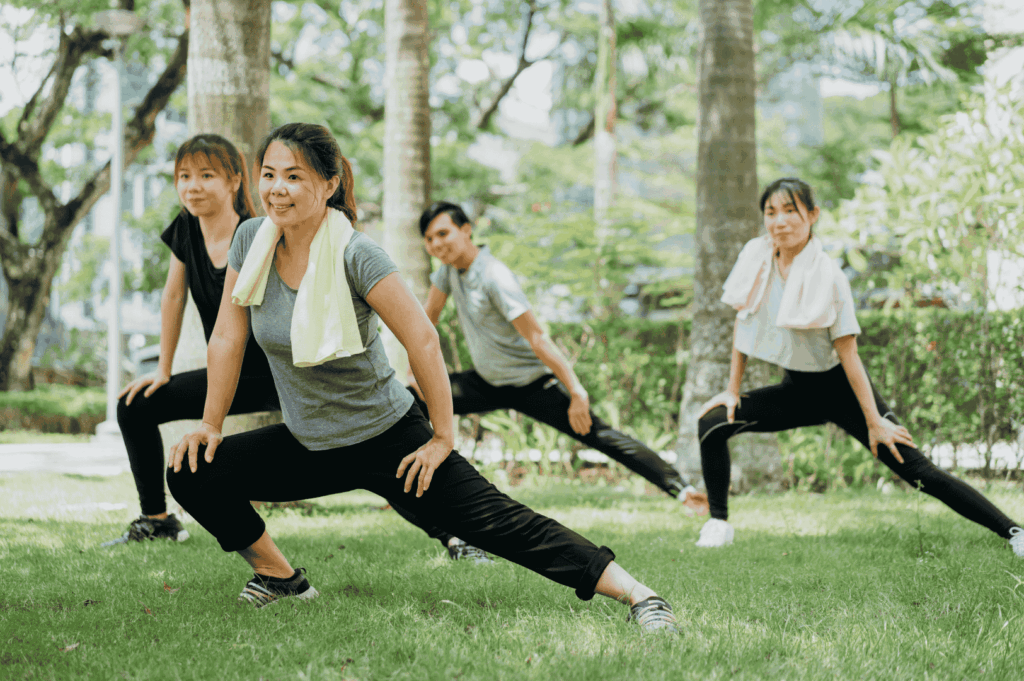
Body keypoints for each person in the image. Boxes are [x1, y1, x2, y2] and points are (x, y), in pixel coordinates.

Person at [164, 122, 680, 633]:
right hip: (309, 442)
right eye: (269, 174)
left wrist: (441, 438)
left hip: (389, 440)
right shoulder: (251, 239)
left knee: (499, 523)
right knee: (192, 471)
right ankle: (279, 579)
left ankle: (641, 596)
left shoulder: (356, 254)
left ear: (328, 184)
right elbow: (228, 337)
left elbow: (424, 340)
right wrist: (211, 424)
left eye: (294, 177)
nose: (277, 189)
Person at [693, 176, 1024, 555]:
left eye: (790, 211)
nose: (779, 221)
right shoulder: (757, 259)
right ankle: (718, 523)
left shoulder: (828, 275)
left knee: (916, 469)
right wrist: (732, 391)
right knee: (713, 422)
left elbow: (848, 352)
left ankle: (1014, 532)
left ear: (812, 215)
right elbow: (744, 319)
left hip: (842, 390)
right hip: (796, 390)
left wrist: (874, 421)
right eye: (771, 212)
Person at [398, 201, 708, 559]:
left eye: (443, 233)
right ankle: (414, 492)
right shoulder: (448, 272)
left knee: (598, 434)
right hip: (486, 382)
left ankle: (683, 490)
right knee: (408, 403)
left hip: (533, 385)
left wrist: (576, 391)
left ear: (466, 230)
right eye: (429, 239)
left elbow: (538, 338)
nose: (437, 244)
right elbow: (427, 321)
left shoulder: (495, 275)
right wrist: (412, 373)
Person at [105, 134, 280, 546]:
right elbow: (173, 294)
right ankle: (158, 520)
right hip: (228, 374)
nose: (192, 186)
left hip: (274, 373)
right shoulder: (185, 227)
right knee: (135, 406)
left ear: (235, 181)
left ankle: (445, 526)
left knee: (357, 440)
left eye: (206, 175)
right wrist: (162, 370)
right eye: (184, 176)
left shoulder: (256, 232)